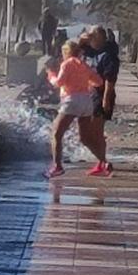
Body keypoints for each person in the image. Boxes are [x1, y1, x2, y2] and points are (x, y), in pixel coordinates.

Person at [45, 40, 104, 178]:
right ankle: (104, 161)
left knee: (56, 134)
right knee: (85, 138)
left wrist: (51, 76)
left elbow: (59, 83)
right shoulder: (84, 65)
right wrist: (85, 82)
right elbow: (99, 81)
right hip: (86, 101)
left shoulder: (67, 64)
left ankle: (57, 167)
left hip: (72, 100)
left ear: (66, 52)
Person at [78, 26, 119, 176]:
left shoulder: (108, 56)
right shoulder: (92, 51)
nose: (90, 40)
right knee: (89, 135)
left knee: (94, 133)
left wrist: (106, 100)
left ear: (100, 38)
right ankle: (102, 162)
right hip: (88, 95)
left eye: (92, 37)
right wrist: (84, 38)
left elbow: (110, 80)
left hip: (101, 96)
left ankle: (103, 162)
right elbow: (75, 48)